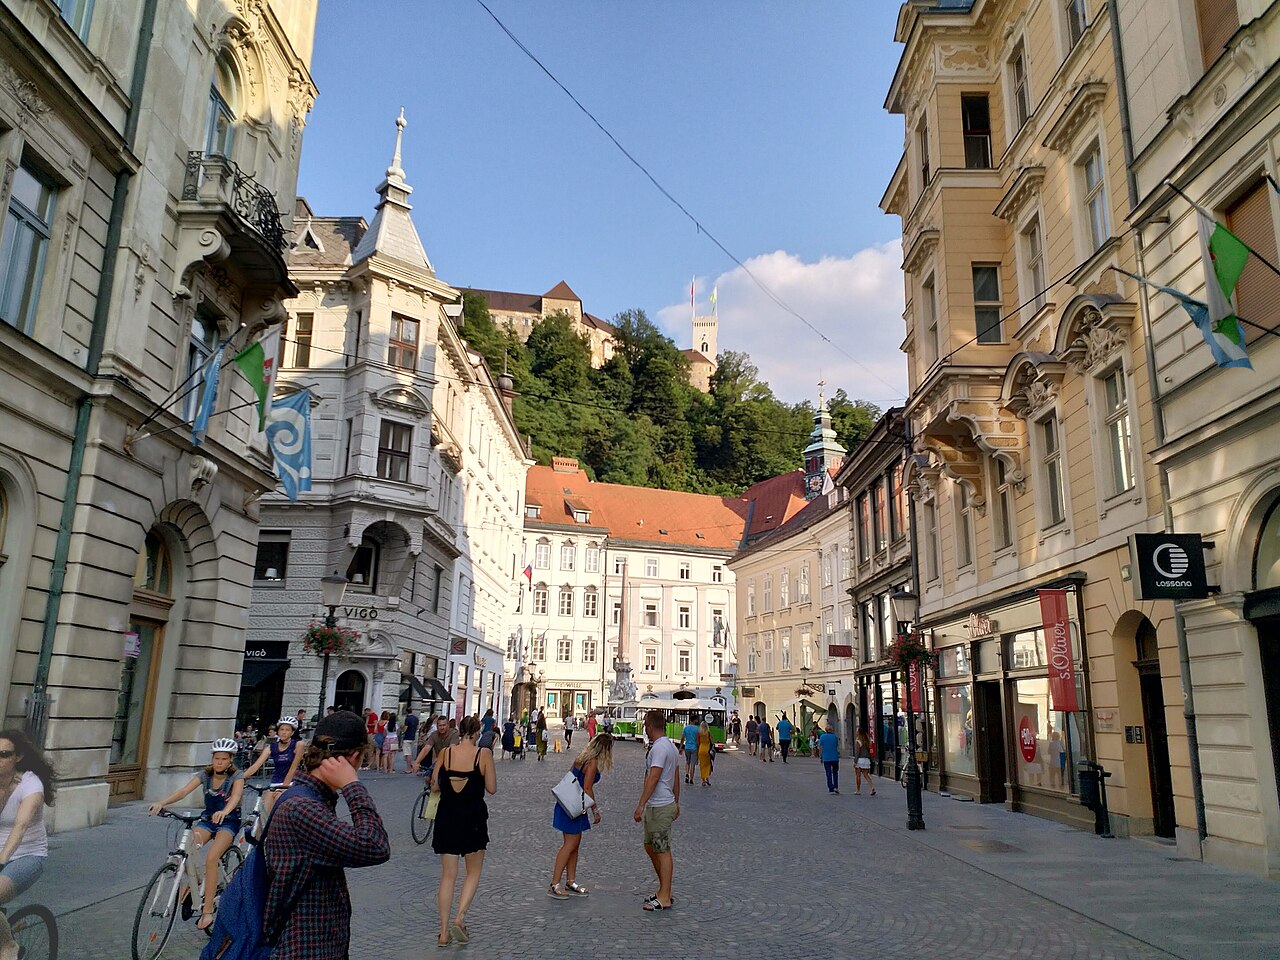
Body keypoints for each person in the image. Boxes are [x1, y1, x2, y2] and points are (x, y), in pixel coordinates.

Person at [262, 710, 390, 960]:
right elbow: (374, 845)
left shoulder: (309, 798)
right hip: (304, 946)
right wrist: (353, 786)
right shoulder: (303, 808)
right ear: (353, 758)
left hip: (314, 941)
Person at [147, 738, 245, 931]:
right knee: (189, 846)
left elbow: (236, 797)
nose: (219, 762)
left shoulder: (237, 776)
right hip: (207, 820)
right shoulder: (205, 775)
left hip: (228, 822)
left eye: (224, 759)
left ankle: (207, 911)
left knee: (211, 858)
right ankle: (196, 879)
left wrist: (225, 811)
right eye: (217, 758)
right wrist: (162, 803)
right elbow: (184, 791)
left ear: (230, 760)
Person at [431, 716, 496, 947]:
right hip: (473, 819)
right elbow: (492, 788)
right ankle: (459, 918)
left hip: (447, 817)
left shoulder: (446, 753)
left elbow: (435, 784)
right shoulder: (483, 755)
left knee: (448, 876)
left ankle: (442, 933)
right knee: (473, 872)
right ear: (478, 732)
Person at [0, 730, 56, 960]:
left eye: (4, 754)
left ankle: (7, 945)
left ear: (18, 757)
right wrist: (3, 791)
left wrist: (2, 860)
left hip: (27, 856)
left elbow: (20, 827)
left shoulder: (31, 784)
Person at [547, 733, 614, 899]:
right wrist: (595, 811)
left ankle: (571, 880)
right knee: (569, 845)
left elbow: (570, 777)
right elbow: (587, 788)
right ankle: (555, 883)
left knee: (574, 845)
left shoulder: (581, 758)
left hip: (571, 804)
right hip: (576, 806)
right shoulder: (592, 763)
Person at [633, 710, 679, 912]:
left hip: (659, 804)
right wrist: (677, 801)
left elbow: (654, 777)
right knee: (650, 845)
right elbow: (676, 777)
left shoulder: (660, 748)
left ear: (651, 726)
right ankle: (664, 889)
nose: (645, 728)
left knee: (662, 849)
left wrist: (641, 803)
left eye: (645, 725)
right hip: (660, 804)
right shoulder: (670, 747)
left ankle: (665, 897)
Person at [241, 714, 303, 817]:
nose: (284, 732)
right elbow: (255, 766)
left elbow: (293, 768)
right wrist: (240, 779)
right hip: (275, 782)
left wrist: (283, 788)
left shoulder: (298, 745)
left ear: (292, 732)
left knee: (279, 810)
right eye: (281, 729)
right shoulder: (271, 747)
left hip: (291, 783)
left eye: (287, 730)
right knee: (264, 814)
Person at [819, 724, 841, 794]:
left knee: (828, 773)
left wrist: (820, 757)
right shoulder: (835, 737)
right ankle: (836, 786)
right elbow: (837, 746)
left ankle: (830, 787)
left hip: (826, 757)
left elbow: (820, 748)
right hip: (835, 757)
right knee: (835, 772)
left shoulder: (822, 737)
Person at [854, 730, 876, 795]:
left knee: (858, 775)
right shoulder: (868, 741)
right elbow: (870, 751)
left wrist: (855, 761)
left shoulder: (858, 741)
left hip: (860, 760)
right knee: (866, 775)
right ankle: (872, 787)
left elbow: (858, 752)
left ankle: (858, 790)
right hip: (866, 760)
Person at [401, 707, 420, 773]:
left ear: (406, 712)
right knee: (411, 752)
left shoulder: (407, 719)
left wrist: (403, 731)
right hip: (413, 736)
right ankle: (412, 766)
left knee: (407, 753)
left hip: (407, 737)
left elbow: (405, 728)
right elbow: (417, 727)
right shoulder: (416, 718)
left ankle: (409, 768)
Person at [681, 718, 699, 785]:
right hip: (694, 748)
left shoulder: (686, 728)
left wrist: (680, 747)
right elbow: (697, 740)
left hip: (687, 747)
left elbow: (683, 738)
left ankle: (686, 774)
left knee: (687, 762)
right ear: (694, 720)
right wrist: (698, 748)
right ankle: (691, 778)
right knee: (693, 764)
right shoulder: (697, 729)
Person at [696, 721, 714, 787]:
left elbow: (698, 743)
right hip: (707, 750)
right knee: (708, 765)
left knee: (702, 765)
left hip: (701, 749)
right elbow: (712, 741)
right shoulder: (708, 733)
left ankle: (703, 780)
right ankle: (707, 778)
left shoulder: (699, 733)